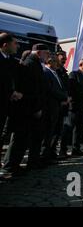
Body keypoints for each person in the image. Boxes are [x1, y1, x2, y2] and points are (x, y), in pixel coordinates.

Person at [3, 43, 49, 172]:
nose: (48, 56)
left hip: (30, 108)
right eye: (47, 53)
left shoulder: (35, 64)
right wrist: (36, 108)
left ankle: (18, 165)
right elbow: (30, 89)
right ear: (39, 53)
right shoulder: (30, 65)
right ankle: (10, 166)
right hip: (26, 109)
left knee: (25, 139)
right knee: (19, 139)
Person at [0, 33, 23, 176]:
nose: (18, 46)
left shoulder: (10, 61)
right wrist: (11, 93)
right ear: (5, 45)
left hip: (6, 106)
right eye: (15, 43)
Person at [41, 54, 69, 163]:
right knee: (48, 133)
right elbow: (51, 89)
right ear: (50, 62)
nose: (58, 64)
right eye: (56, 61)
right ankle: (44, 156)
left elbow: (62, 88)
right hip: (50, 107)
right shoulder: (46, 72)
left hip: (58, 107)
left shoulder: (55, 73)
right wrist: (63, 97)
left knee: (55, 132)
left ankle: (50, 154)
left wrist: (65, 97)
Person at [55, 51, 72, 159]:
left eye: (66, 57)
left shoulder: (64, 73)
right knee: (53, 132)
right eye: (63, 57)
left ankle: (61, 151)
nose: (65, 59)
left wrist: (68, 98)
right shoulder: (54, 72)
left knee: (61, 131)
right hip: (56, 105)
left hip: (65, 106)